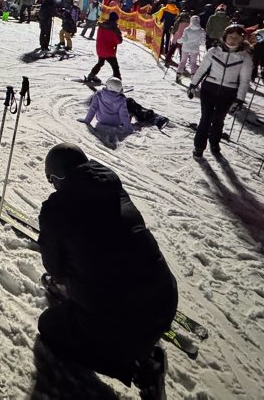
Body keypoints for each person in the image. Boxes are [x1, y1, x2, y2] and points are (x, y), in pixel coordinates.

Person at [38, 143, 177, 399]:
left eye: (51, 181)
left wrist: (65, 281)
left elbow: (54, 268)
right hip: (164, 298)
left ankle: (139, 366)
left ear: (57, 177)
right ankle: (140, 347)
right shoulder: (115, 190)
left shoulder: (56, 209)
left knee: (49, 327)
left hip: (114, 319)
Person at [190, 24, 253, 159]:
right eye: (230, 36)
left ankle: (214, 143)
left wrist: (240, 99)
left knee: (219, 120)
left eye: (237, 38)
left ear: (242, 40)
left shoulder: (245, 57)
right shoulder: (214, 51)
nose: (233, 40)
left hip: (228, 93)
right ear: (225, 37)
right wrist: (193, 84)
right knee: (205, 119)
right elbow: (202, 69)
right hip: (209, 89)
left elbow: (244, 80)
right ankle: (199, 147)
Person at [78, 78, 169, 148]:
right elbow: (124, 115)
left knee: (127, 103)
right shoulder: (121, 99)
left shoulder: (98, 94)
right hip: (117, 122)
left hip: (101, 119)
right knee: (130, 102)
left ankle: (144, 116)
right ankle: (153, 118)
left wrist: (87, 121)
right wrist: (129, 128)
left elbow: (93, 109)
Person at [84, 12, 122, 84]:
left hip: (100, 49)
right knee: (115, 67)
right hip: (109, 51)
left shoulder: (102, 25)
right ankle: (117, 82)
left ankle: (91, 75)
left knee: (100, 63)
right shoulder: (114, 29)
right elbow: (119, 41)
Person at [175, 15, 205, 84]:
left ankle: (178, 74)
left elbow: (184, 39)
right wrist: (198, 42)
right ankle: (193, 77)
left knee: (183, 61)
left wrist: (178, 41)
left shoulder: (187, 29)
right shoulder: (201, 31)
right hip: (195, 49)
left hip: (185, 48)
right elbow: (203, 42)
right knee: (193, 63)